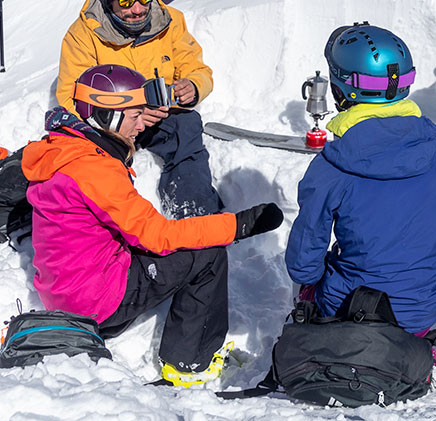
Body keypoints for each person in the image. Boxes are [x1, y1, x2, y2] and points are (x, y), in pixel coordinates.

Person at [26, 63, 284, 386]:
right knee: (208, 255)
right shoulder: (95, 170)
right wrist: (237, 225)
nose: (139, 127)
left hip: (63, 293)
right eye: (135, 117)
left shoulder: (64, 151)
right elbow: (159, 236)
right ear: (109, 117)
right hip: (95, 304)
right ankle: (189, 361)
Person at [286, 24, 436, 334]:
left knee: (308, 286)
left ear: (340, 89)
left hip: (349, 312)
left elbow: (302, 265)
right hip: (420, 313)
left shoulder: (333, 166)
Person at [54, 0, 221, 217]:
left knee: (187, 128)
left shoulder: (170, 21)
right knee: (92, 161)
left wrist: (193, 86)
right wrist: (127, 116)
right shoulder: (83, 35)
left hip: (159, 116)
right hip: (110, 126)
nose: (138, 9)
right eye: (128, 2)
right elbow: (70, 98)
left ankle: (194, 211)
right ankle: (115, 224)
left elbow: (196, 67)